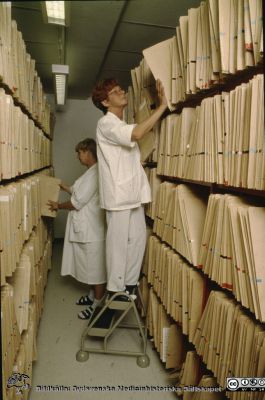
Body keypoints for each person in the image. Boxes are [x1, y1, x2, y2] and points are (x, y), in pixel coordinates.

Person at [92, 78, 167, 299]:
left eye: (120, 88)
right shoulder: (106, 123)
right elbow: (137, 134)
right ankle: (116, 289)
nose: (122, 92)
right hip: (118, 196)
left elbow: (126, 152)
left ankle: (129, 284)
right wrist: (162, 106)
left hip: (132, 195)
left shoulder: (121, 124)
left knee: (137, 239)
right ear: (106, 102)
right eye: (116, 92)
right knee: (117, 245)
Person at [48, 138, 106, 319]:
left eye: (80, 153)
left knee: (96, 270)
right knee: (90, 267)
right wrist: (62, 185)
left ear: (89, 153)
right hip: (87, 229)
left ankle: (97, 303)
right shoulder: (90, 172)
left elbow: (77, 202)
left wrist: (58, 206)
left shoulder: (96, 174)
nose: (78, 156)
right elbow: (76, 191)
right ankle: (92, 296)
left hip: (92, 231)